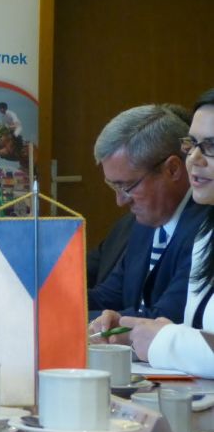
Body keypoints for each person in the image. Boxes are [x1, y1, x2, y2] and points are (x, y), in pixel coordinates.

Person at [94, 89, 214, 377]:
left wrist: (162, 339)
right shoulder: (205, 234)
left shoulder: (199, 226)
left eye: (211, 146)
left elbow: (173, 321)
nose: (194, 158)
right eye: (192, 144)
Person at [87, 104, 206, 321]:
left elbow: (165, 318)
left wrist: (105, 324)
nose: (120, 201)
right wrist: (46, 301)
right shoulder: (145, 222)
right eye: (114, 186)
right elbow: (107, 297)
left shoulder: (205, 230)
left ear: (173, 169)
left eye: (127, 186)